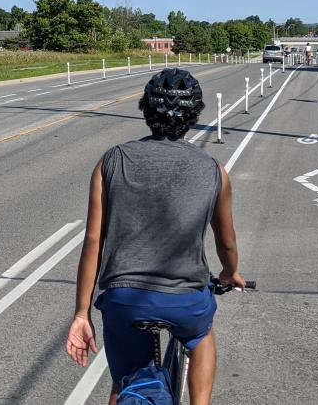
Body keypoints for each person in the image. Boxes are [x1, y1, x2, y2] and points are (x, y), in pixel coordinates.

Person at [65, 68, 246, 405]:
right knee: (202, 336)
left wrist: (81, 314)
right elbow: (227, 241)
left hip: (123, 301)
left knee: (123, 385)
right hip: (185, 301)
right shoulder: (213, 171)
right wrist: (230, 272)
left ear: (146, 110)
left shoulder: (112, 160)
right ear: (193, 114)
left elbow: (93, 242)